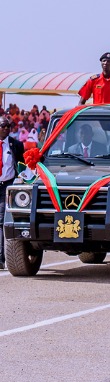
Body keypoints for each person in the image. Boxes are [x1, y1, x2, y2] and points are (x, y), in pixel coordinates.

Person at [0, 115, 26, 269]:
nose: (6, 129)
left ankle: (1, 258)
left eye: (8, 126)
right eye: (3, 126)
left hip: (6, 186)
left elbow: (21, 165)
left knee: (1, 221)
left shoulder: (15, 145)